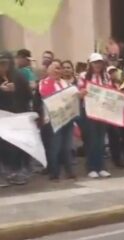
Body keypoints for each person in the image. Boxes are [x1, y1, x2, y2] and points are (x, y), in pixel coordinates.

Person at [38, 60, 76, 180]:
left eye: (58, 68)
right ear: (49, 70)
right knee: (55, 147)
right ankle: (54, 173)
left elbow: (73, 95)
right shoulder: (44, 82)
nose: (57, 70)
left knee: (67, 146)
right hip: (54, 119)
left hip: (68, 118)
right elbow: (46, 94)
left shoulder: (66, 83)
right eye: (54, 68)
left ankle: (69, 171)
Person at [0, 51, 33, 186]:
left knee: (15, 146)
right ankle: (4, 173)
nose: (3, 67)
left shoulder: (18, 77)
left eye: (5, 63)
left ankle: (16, 171)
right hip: (2, 118)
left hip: (16, 117)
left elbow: (28, 96)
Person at [78, 53, 112, 178]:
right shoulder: (83, 76)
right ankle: (91, 167)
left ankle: (101, 166)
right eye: (95, 62)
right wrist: (83, 92)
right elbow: (80, 93)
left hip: (101, 112)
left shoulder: (106, 76)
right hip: (88, 112)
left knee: (100, 140)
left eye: (99, 62)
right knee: (91, 140)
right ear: (90, 64)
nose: (97, 65)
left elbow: (109, 92)